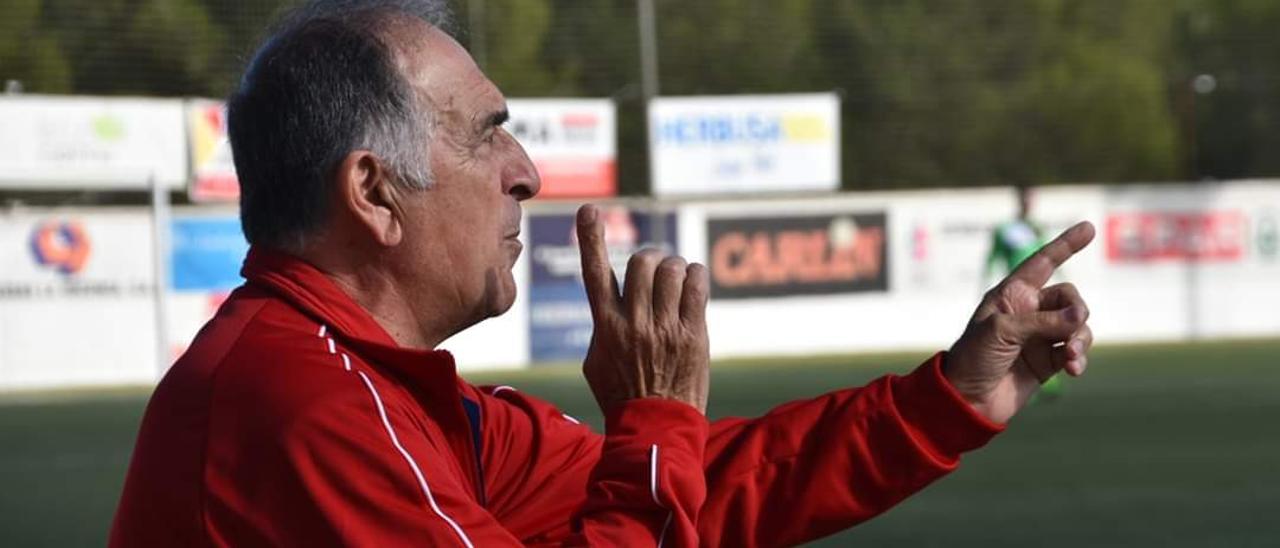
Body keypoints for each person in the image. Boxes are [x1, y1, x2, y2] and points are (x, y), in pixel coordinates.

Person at [110, 2, 1096, 546]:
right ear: (373, 191)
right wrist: (653, 415)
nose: (528, 174)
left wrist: (947, 398)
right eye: (489, 136)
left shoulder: (394, 398)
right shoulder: (302, 404)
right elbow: (660, 476)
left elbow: (701, 487)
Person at [983, 184, 1063, 399]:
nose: (1029, 203)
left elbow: (1048, 253)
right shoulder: (1006, 229)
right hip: (1015, 289)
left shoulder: (1036, 227)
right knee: (1017, 335)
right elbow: (994, 256)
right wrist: (987, 280)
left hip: (1038, 287)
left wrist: (1062, 274)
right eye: (1026, 199)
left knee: (1042, 332)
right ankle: (1023, 385)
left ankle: (1048, 382)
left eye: (1031, 199)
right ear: (1019, 201)